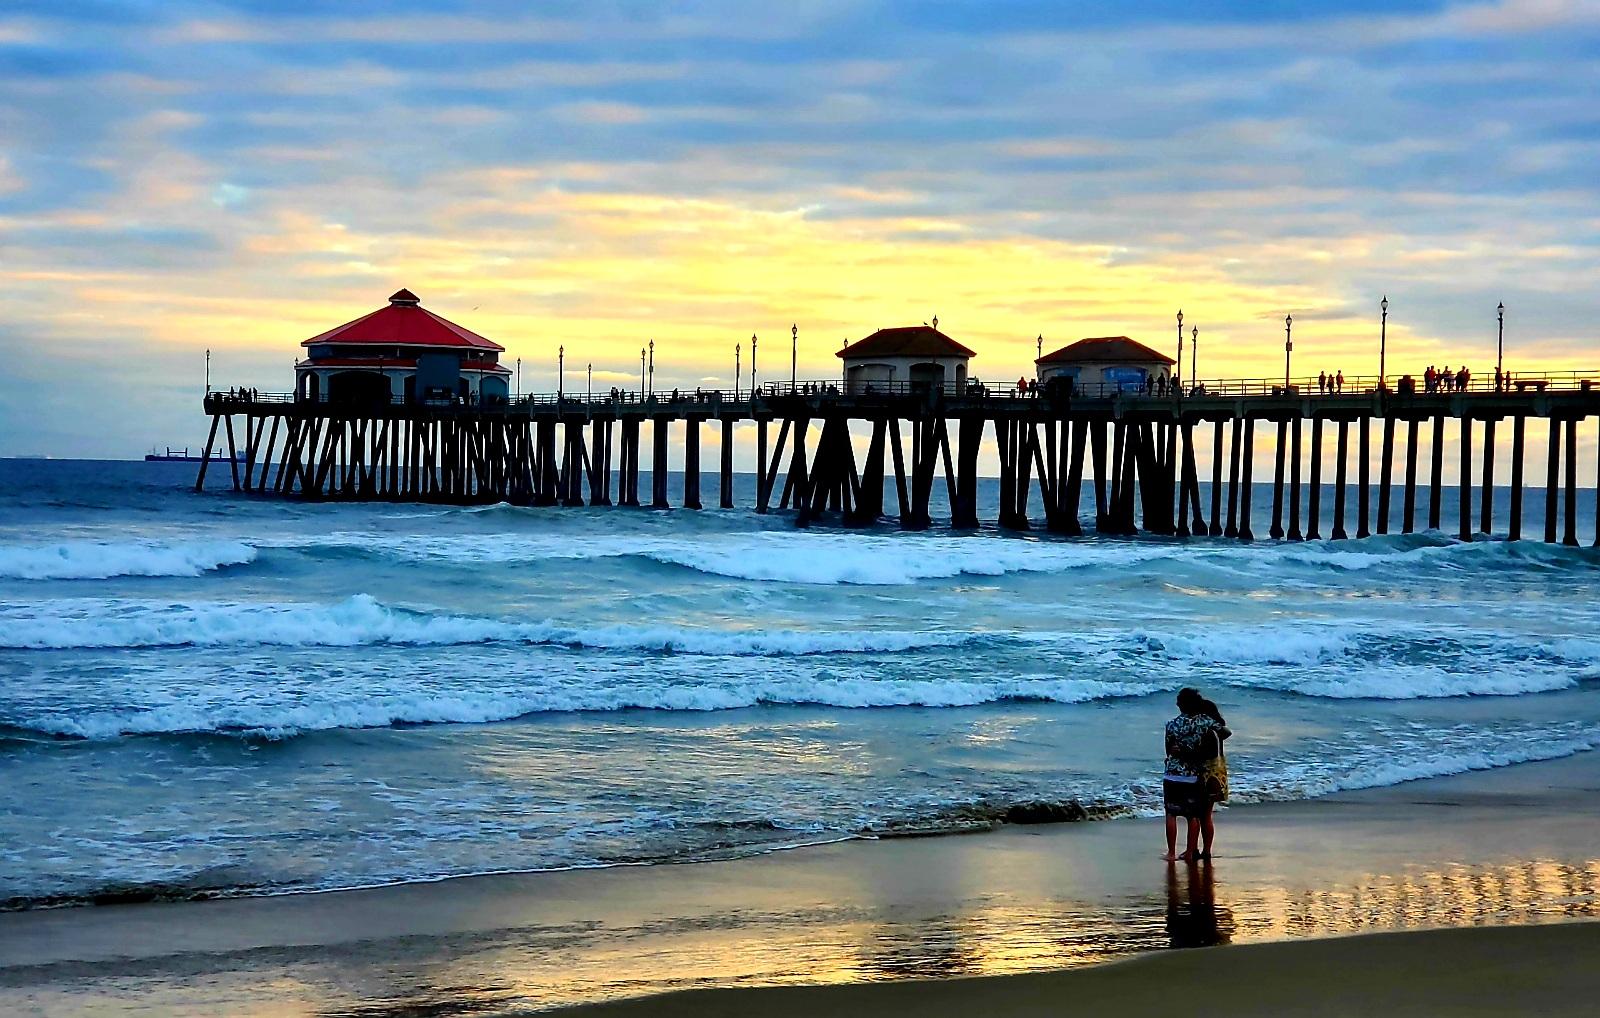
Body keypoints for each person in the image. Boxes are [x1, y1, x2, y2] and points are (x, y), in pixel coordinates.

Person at [1163, 688, 1229, 862]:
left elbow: (1168, 751)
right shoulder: (1207, 726)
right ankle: (1196, 851)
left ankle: (1173, 853)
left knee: (1172, 814)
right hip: (1202, 774)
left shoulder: (1172, 724)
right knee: (1200, 816)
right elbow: (1226, 733)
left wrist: (1181, 752)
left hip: (1179, 773)